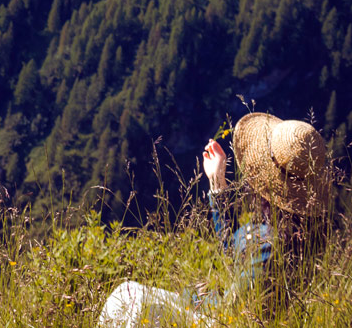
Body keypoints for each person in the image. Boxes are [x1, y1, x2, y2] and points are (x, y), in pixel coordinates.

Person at [97, 112, 331, 327]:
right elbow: (237, 251)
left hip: (217, 320)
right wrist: (218, 183)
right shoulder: (299, 238)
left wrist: (198, 298)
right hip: (220, 313)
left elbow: (234, 312)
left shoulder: (267, 242)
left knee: (127, 297)